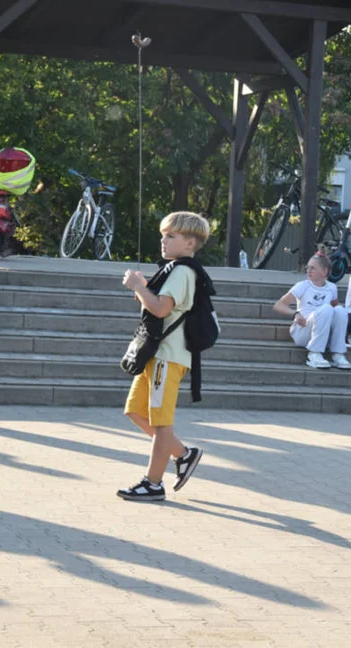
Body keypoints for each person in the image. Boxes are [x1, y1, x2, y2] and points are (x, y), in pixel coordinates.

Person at [117, 212, 211, 501]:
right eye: (163, 235)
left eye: (171, 236)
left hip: (168, 357)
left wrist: (138, 287)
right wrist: (143, 289)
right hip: (156, 356)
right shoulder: (174, 269)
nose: (163, 240)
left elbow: (160, 309)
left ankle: (153, 483)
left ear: (190, 243)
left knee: (160, 422)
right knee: (135, 410)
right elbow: (158, 305)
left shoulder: (183, 271)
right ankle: (183, 454)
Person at [273, 254, 351, 370]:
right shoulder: (302, 286)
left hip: (322, 332)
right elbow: (278, 305)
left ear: (325, 271)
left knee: (340, 310)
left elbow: (336, 308)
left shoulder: (332, 288)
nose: (308, 270)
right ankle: (314, 354)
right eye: (308, 267)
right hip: (303, 330)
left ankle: (338, 354)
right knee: (326, 308)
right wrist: (295, 313)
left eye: (313, 268)